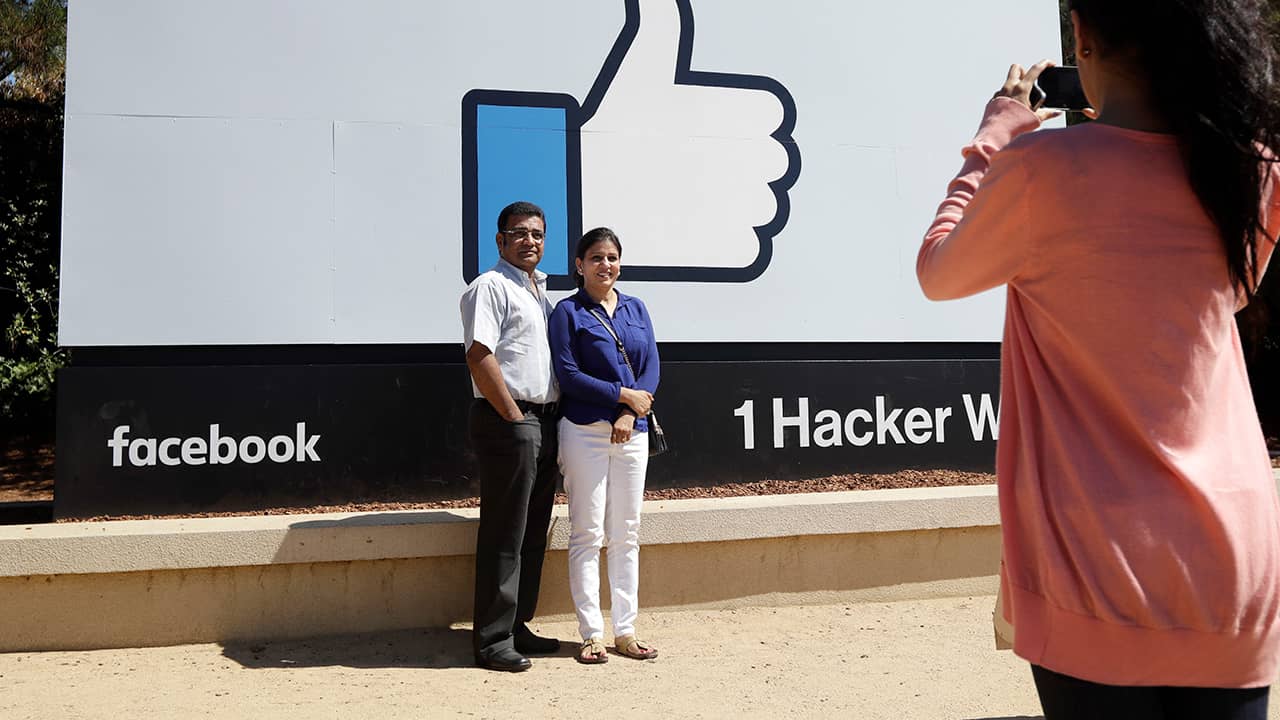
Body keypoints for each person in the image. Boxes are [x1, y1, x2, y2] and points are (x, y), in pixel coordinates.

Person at [916, 1, 1280, 717]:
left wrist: (996, 134)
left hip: (1094, 562)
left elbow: (938, 271)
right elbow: (1221, 297)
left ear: (1083, 36)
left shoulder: (1039, 172)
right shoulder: (1254, 169)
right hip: (1233, 568)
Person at [548, 227, 661, 664]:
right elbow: (568, 374)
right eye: (596, 258)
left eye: (612, 257)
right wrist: (621, 396)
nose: (606, 265)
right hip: (584, 432)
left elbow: (651, 364)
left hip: (632, 432)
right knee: (587, 533)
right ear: (580, 265)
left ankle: (626, 631)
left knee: (626, 533)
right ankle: (592, 633)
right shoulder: (567, 312)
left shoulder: (636, 307)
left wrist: (632, 412)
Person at [460, 200, 562, 672]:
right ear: (500, 241)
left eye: (537, 234)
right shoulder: (490, 287)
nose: (530, 241)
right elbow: (480, 355)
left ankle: (517, 625)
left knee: (533, 532)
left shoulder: (540, 294)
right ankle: (492, 640)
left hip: (544, 422)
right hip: (510, 422)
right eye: (519, 233)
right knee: (506, 532)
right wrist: (515, 416)